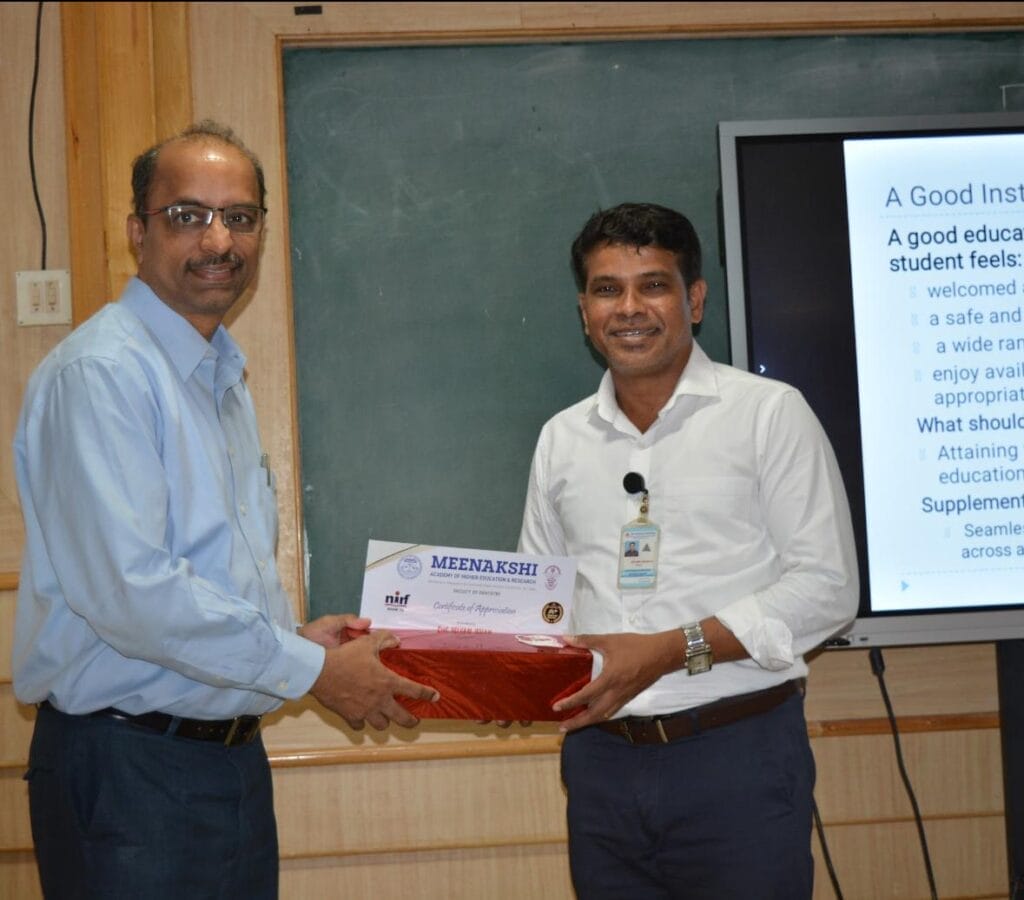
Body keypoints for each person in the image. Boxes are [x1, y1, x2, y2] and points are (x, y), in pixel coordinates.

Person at [12, 120, 437, 899]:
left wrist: (293, 641)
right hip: (128, 770)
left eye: (240, 217)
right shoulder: (102, 375)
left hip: (225, 765)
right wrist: (313, 670)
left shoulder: (219, 379)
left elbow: (205, 574)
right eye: (189, 215)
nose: (219, 240)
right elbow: (132, 592)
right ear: (138, 231)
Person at [517, 202, 858, 898]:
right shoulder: (560, 439)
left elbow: (827, 589)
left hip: (737, 756)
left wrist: (671, 650)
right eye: (607, 289)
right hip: (601, 763)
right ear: (584, 311)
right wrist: (482, 663)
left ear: (694, 300)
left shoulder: (768, 413)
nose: (628, 308)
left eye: (653, 285)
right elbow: (539, 602)